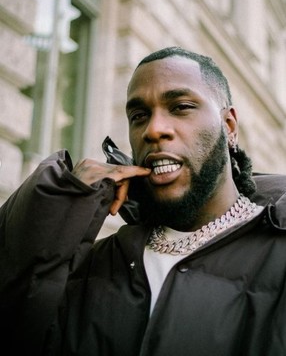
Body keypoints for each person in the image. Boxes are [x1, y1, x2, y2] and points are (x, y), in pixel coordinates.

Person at [0, 46, 286, 356]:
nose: (153, 129)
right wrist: (60, 199)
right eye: (139, 115)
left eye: (181, 106)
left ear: (229, 127)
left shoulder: (277, 252)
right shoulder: (101, 261)